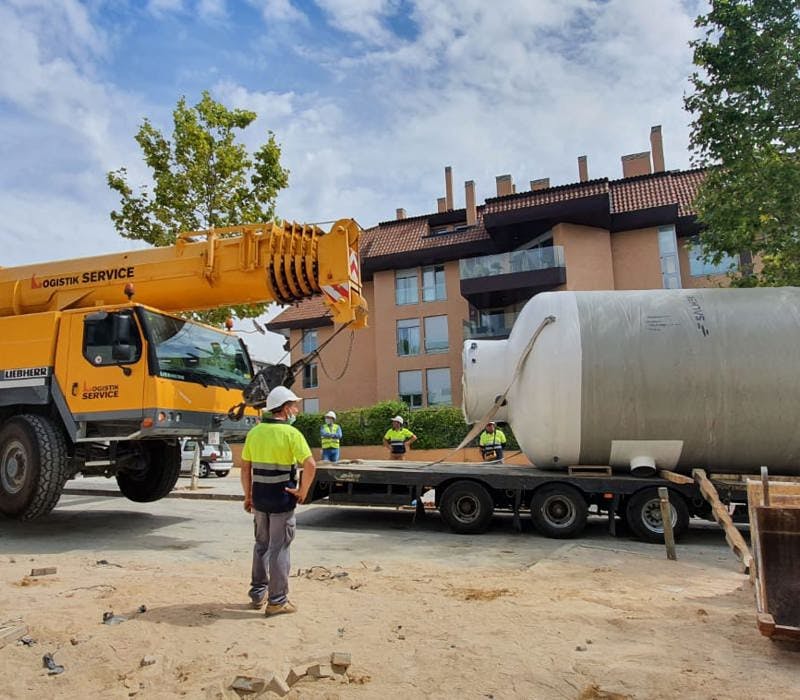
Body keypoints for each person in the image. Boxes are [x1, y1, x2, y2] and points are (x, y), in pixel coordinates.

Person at [240, 385, 317, 617]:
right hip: (282, 499)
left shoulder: (254, 433)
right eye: (294, 405)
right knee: (279, 548)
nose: (296, 409)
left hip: (260, 499)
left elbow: (246, 468)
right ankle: (277, 601)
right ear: (284, 408)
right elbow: (310, 465)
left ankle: (258, 593)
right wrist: (303, 491)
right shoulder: (292, 434)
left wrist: (248, 496)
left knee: (261, 545)